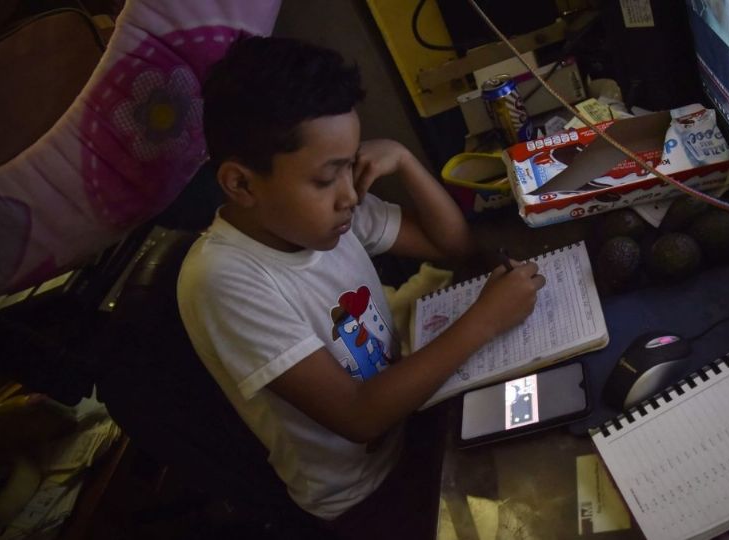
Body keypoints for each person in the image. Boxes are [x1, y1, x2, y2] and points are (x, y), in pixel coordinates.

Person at [176, 36, 545, 537]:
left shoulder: (320, 214)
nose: (350, 195)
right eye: (327, 178)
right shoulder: (222, 279)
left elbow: (452, 247)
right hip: (368, 498)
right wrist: (484, 319)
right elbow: (358, 416)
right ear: (241, 185)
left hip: (418, 419)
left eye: (351, 165)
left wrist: (404, 160)